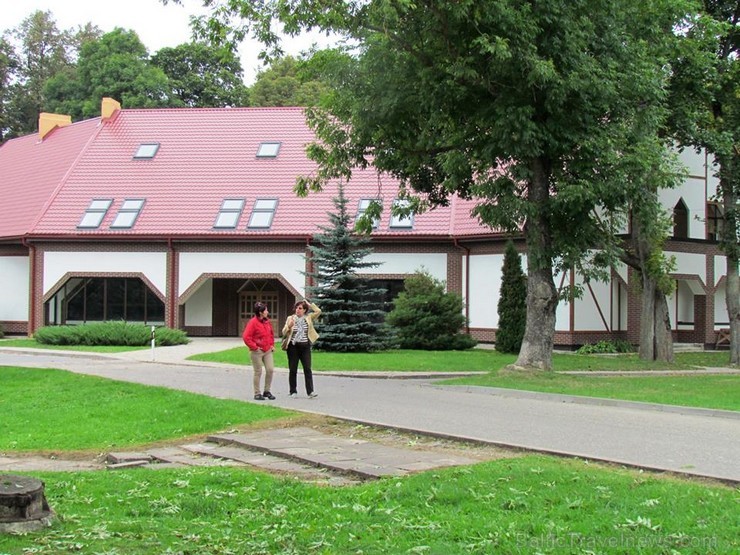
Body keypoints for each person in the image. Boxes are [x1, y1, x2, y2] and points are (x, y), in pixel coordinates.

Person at [282, 299, 321, 398]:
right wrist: (289, 327)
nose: (297, 310)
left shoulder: (308, 318)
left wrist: (309, 304)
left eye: (300, 308)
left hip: (305, 346)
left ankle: (310, 391)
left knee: (307, 368)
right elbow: (283, 332)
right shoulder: (290, 318)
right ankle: (293, 391)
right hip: (293, 347)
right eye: (296, 308)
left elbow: (318, 311)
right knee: (293, 369)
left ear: (304, 310)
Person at [242, 302, 276, 401]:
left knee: (270, 369)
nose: (267, 312)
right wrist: (255, 347)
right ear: (261, 312)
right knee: (258, 371)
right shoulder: (253, 322)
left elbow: (270, 334)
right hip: (257, 351)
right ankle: (257, 393)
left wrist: (271, 345)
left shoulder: (266, 321)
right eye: (266, 310)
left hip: (267, 350)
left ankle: (267, 391)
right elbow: (246, 337)